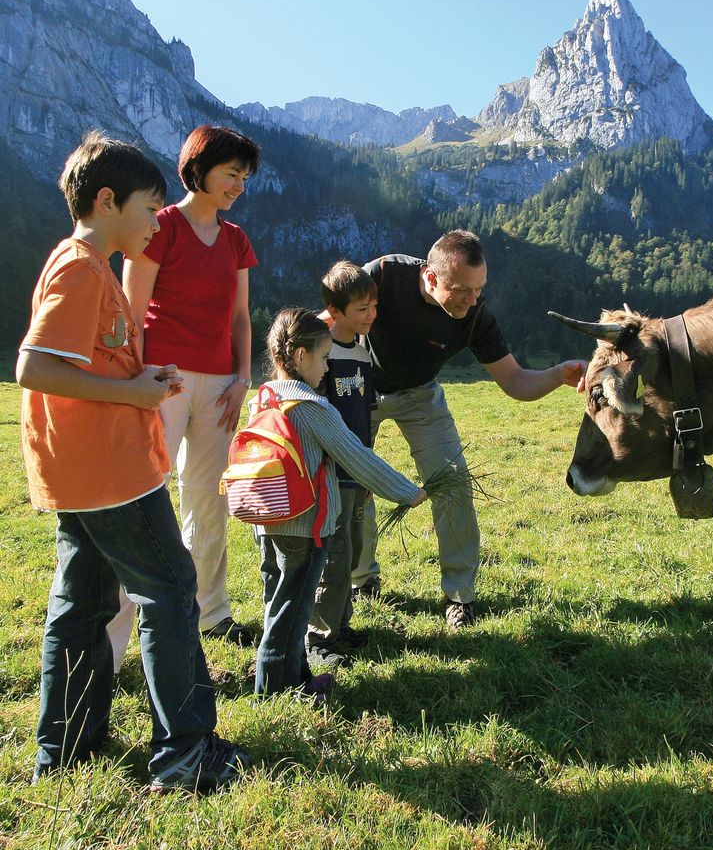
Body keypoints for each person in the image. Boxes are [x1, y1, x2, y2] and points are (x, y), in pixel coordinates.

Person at [17, 131, 246, 792]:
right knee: (171, 587)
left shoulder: (85, 266)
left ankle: (65, 751)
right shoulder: (81, 267)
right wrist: (130, 392)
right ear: (108, 201)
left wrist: (141, 374)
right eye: (149, 209)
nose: (156, 220)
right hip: (111, 472)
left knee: (83, 602)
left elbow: (86, 357)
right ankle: (186, 756)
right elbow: (35, 365)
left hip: (81, 473)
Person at [351, 230, 587, 628]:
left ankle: (460, 595)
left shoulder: (476, 316)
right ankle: (361, 580)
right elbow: (333, 317)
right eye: (462, 289)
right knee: (351, 486)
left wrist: (557, 374)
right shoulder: (384, 276)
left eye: (479, 290)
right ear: (430, 278)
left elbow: (515, 382)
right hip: (359, 389)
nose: (472, 300)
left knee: (453, 483)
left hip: (420, 395)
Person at [107, 126, 260, 666]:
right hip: (161, 379)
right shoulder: (161, 227)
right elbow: (132, 310)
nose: (238, 184)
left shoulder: (237, 238)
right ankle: (115, 643)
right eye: (230, 173)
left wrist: (242, 377)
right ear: (199, 169)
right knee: (143, 501)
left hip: (220, 386)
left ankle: (211, 611)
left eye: (244, 176)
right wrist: (137, 381)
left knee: (210, 499)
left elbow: (240, 318)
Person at [254, 308, 426, 697]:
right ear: (300, 357)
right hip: (305, 527)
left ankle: (294, 675)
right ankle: (275, 689)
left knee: (277, 602)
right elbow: (358, 458)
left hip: (267, 522)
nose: (328, 369)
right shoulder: (314, 409)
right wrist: (407, 492)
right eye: (325, 358)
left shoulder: (262, 400)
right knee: (294, 609)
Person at [306, 261, 378, 669]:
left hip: (356, 468)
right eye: (361, 308)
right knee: (332, 554)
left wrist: (366, 468)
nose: (370, 315)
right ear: (333, 312)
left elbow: (365, 411)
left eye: (373, 305)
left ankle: (340, 622)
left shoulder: (364, 346)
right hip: (328, 471)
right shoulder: (323, 349)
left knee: (351, 547)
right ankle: (318, 637)